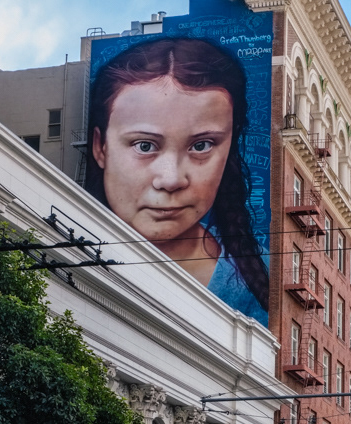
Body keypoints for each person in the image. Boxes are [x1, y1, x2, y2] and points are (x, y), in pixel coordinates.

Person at [87, 37, 269, 325]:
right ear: (100, 147)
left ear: (229, 148)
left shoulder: (265, 277)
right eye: (144, 146)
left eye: (201, 146)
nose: (171, 180)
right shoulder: (56, 247)